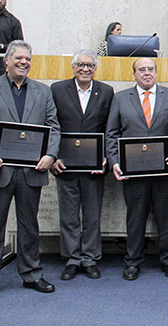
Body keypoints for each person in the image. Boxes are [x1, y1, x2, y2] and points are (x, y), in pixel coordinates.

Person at [0, 40, 60, 303]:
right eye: (18, 58)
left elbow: (54, 127)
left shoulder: (43, 92)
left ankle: (31, 274)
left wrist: (50, 155)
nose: (24, 62)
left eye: (28, 59)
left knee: (29, 226)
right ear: (6, 61)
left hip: (31, 170)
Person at [105, 57, 168, 281]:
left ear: (156, 72)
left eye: (150, 69)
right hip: (134, 171)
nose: (147, 73)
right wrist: (114, 162)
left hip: (163, 169)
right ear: (134, 74)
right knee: (135, 217)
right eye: (142, 70)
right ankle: (133, 262)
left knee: (166, 217)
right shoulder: (120, 98)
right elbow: (112, 134)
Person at [50, 50, 114, 281]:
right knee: (68, 215)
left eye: (89, 65)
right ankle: (72, 259)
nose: (85, 68)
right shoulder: (57, 90)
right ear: (73, 67)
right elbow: (52, 124)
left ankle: (89, 258)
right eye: (80, 64)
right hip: (65, 164)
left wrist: (106, 157)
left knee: (92, 215)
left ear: (96, 68)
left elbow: (110, 128)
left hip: (94, 165)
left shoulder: (106, 92)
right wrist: (52, 155)